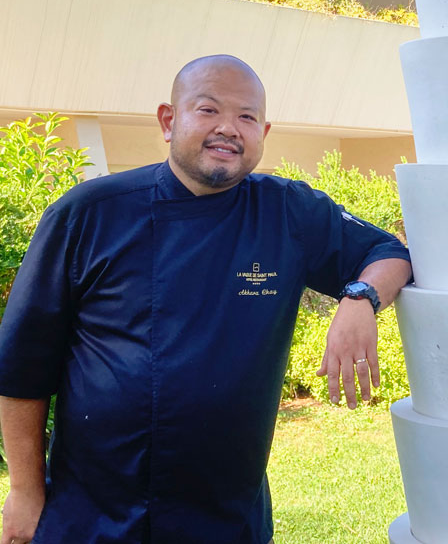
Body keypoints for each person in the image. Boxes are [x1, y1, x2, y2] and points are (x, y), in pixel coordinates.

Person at [0, 55, 412, 544]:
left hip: (226, 517)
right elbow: (23, 365)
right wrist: (26, 490)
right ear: (169, 121)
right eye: (208, 109)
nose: (228, 129)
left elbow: (390, 253)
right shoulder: (88, 214)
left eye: (246, 116)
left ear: (264, 130)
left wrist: (360, 299)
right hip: (93, 515)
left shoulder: (289, 213)